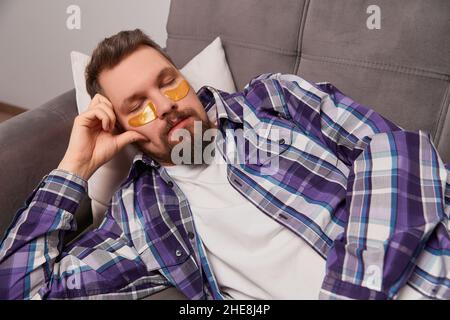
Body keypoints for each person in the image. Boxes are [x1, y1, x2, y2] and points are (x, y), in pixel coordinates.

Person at [0, 29, 448, 300]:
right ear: (122, 128)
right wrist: (74, 167)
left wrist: (354, 287)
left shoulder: (273, 99)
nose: (167, 106)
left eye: (168, 83)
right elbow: (21, 290)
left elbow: (395, 150)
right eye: (138, 105)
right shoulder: (138, 217)